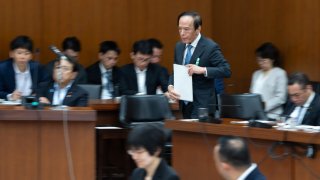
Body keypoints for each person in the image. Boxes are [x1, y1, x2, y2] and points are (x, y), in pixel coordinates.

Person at [166, 11, 231, 119]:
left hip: (203, 105)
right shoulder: (179, 46)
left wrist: (202, 70)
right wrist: (170, 86)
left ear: (198, 29)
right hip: (185, 103)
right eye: (179, 29)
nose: (182, 33)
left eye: (186, 29)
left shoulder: (210, 47)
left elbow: (226, 70)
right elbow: (176, 71)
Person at [0, 35, 49, 101]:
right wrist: (10, 96)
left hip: (31, 107)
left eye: (26, 53)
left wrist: (38, 95)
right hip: (10, 107)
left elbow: (45, 85)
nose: (23, 57)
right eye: (19, 53)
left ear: (31, 56)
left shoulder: (38, 68)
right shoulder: (3, 69)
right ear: (11, 54)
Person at [250, 42, 287, 120]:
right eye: (258, 60)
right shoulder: (256, 74)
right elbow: (251, 93)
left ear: (272, 59)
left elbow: (281, 97)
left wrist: (264, 105)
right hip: (254, 114)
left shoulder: (280, 73)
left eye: (263, 60)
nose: (260, 63)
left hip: (272, 115)